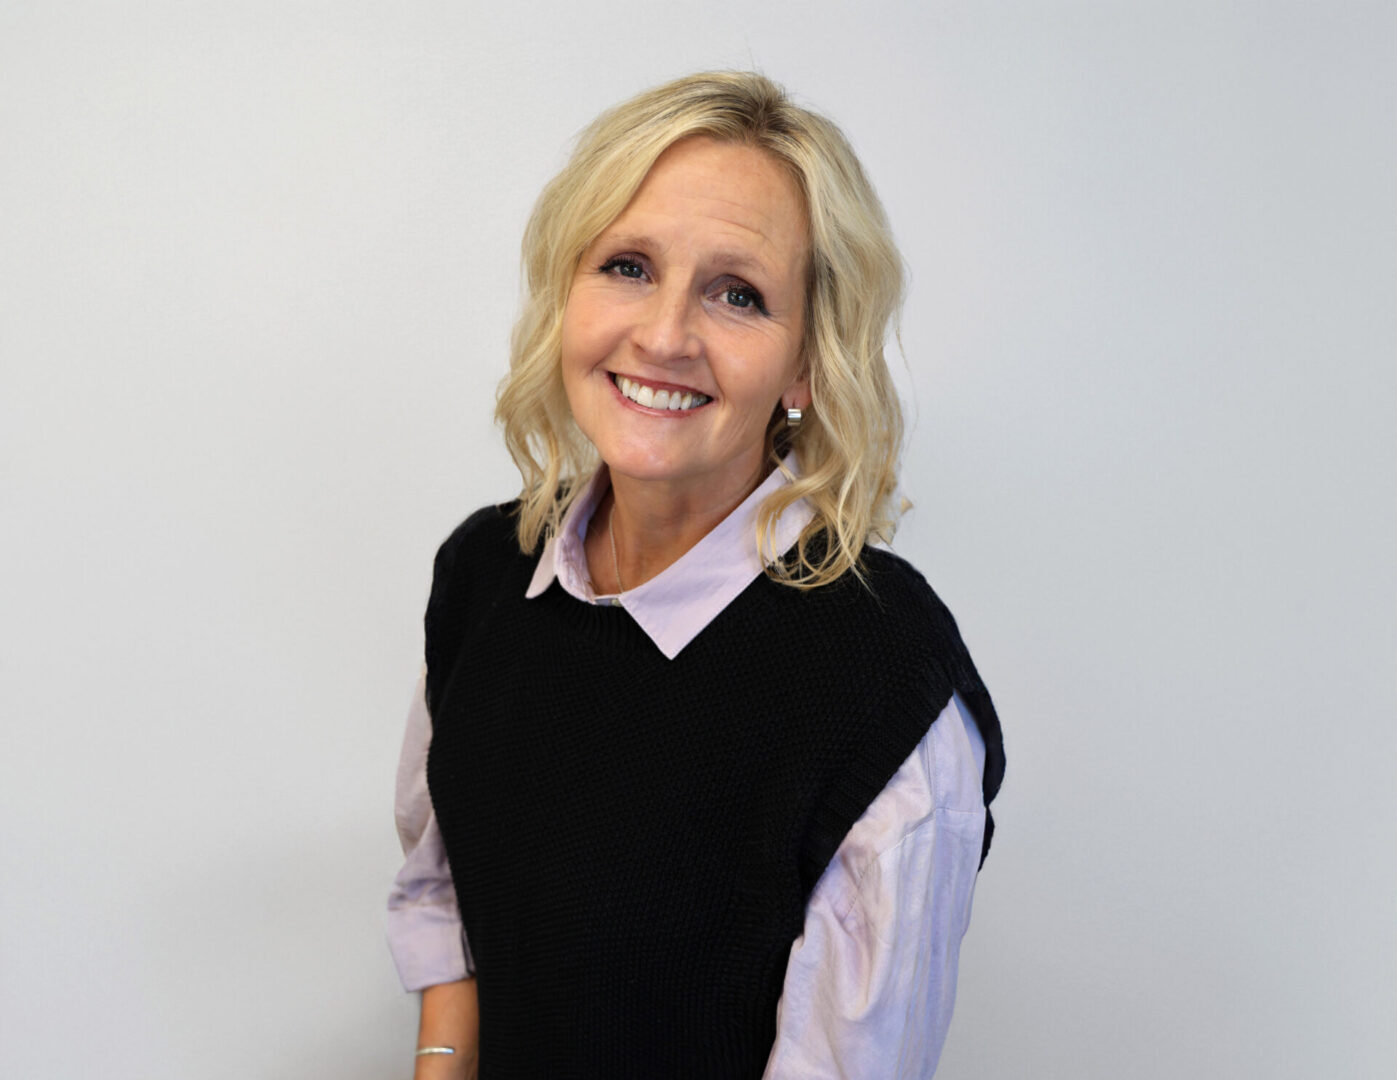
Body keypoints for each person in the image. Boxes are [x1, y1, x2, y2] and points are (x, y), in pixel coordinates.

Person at [387, 71, 1006, 1080]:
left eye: (737, 294)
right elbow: (446, 890)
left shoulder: (884, 682)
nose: (665, 335)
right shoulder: (484, 576)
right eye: (627, 266)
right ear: (564, 296)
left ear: (806, 364)